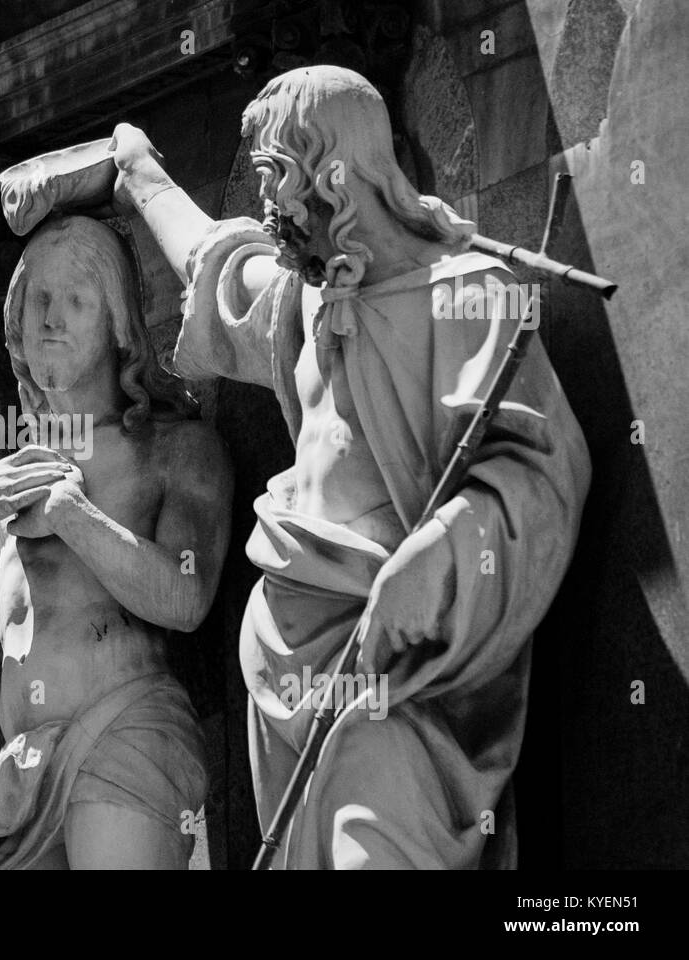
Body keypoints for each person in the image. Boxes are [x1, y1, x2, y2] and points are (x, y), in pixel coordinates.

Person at [111, 65, 591, 868]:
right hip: (286, 658)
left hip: (391, 666)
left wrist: (440, 554)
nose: (266, 212)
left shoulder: (467, 294)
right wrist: (142, 174)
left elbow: (540, 471)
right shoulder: (310, 296)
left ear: (329, 170)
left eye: (272, 179)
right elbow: (216, 268)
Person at [0, 216, 233, 869]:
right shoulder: (3, 481)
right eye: (38, 299)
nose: (52, 317)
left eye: (76, 299)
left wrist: (72, 513)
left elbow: (187, 596)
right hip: (23, 771)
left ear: (116, 324)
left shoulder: (174, 449)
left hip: (128, 735)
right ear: (14, 326)